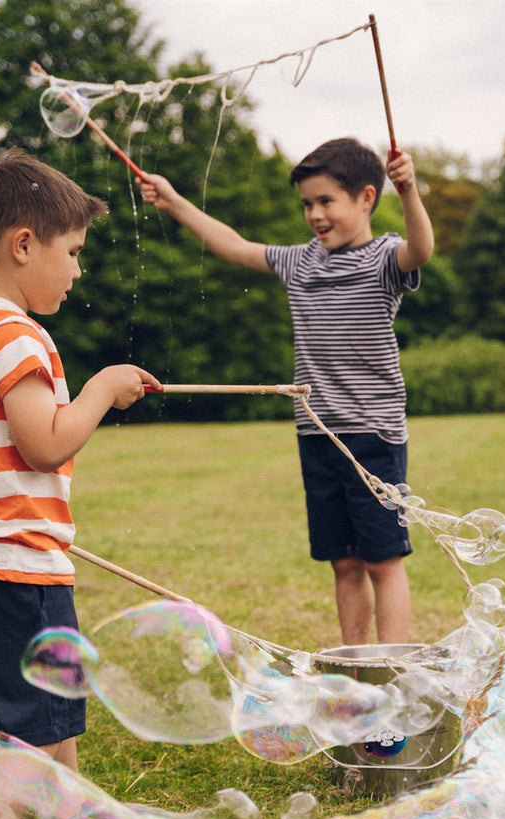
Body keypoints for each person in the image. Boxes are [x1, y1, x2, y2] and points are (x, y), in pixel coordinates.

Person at [0, 148, 160, 819]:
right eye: (73, 253)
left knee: (49, 701)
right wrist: (100, 389)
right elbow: (43, 443)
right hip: (15, 561)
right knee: (29, 728)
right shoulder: (18, 335)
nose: (78, 270)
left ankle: (81, 813)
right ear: (24, 245)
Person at [140, 137, 434, 646]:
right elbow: (231, 245)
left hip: (372, 435)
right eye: (307, 204)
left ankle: (392, 675)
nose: (314, 214)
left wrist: (409, 191)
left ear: (367, 198)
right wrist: (173, 200)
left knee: (383, 561)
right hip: (316, 432)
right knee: (343, 561)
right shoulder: (300, 263)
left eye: (326, 201)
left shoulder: (386, 258)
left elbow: (422, 247)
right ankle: (356, 666)